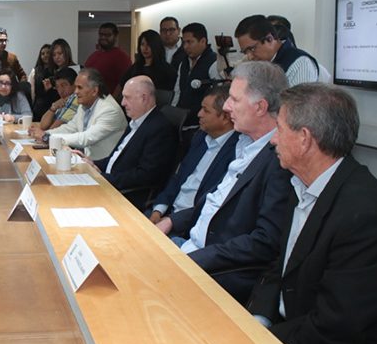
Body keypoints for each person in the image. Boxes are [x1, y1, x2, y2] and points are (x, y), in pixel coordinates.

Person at [248, 83, 377, 344]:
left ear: (305, 138)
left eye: (279, 129)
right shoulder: (302, 185)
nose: (272, 140)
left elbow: (336, 328)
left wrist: (260, 342)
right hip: (295, 331)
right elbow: (280, 267)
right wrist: (258, 319)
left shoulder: (366, 217)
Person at [155, 61, 292, 304]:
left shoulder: (279, 161)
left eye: (234, 99)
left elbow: (264, 242)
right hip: (187, 246)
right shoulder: (240, 144)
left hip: (213, 271)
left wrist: (192, 259)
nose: (227, 107)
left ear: (260, 107)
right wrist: (171, 220)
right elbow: (214, 203)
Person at [82, 76, 177, 208]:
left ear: (144, 98)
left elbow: (146, 175)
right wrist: (91, 163)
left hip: (125, 195)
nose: (122, 103)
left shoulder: (160, 128)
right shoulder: (136, 121)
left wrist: (102, 177)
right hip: (110, 184)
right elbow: (115, 160)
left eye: (127, 97)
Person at [147, 84, 238, 222]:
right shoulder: (199, 137)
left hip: (189, 223)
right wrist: (158, 210)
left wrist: (172, 221)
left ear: (225, 117)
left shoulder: (236, 152)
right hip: (167, 213)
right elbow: (178, 177)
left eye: (206, 111)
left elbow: (211, 203)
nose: (199, 114)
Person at [30, 68, 127, 161]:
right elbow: (71, 128)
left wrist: (48, 138)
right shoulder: (85, 104)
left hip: (103, 167)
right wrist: (46, 134)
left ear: (95, 91)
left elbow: (85, 138)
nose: (75, 92)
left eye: (80, 88)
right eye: (76, 87)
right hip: (86, 161)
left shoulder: (109, 110)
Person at [235, 15, 319, 86]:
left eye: (252, 49)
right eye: (245, 52)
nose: (250, 57)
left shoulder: (300, 64)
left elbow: (300, 101)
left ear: (270, 39)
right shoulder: (260, 65)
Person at [171, 22, 219, 141]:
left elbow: (217, 96)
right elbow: (177, 91)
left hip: (201, 126)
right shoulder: (183, 63)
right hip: (182, 122)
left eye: (190, 42)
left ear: (203, 41)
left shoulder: (213, 62)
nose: (185, 47)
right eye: (184, 42)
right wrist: (173, 114)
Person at [83, 22, 132, 98]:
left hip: (107, 100)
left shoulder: (122, 57)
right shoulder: (94, 55)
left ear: (115, 36)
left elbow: (124, 83)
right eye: (101, 35)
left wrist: (112, 101)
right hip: (90, 99)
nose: (103, 37)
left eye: (108, 35)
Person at [119, 29, 175, 94]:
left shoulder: (166, 69)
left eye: (149, 44)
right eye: (142, 44)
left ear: (155, 45)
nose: (145, 48)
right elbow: (122, 83)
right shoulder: (136, 66)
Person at [28, 44, 56, 119]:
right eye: (43, 54)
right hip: (39, 107)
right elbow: (32, 92)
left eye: (48, 53)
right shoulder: (35, 71)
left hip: (54, 105)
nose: (45, 55)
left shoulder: (57, 70)